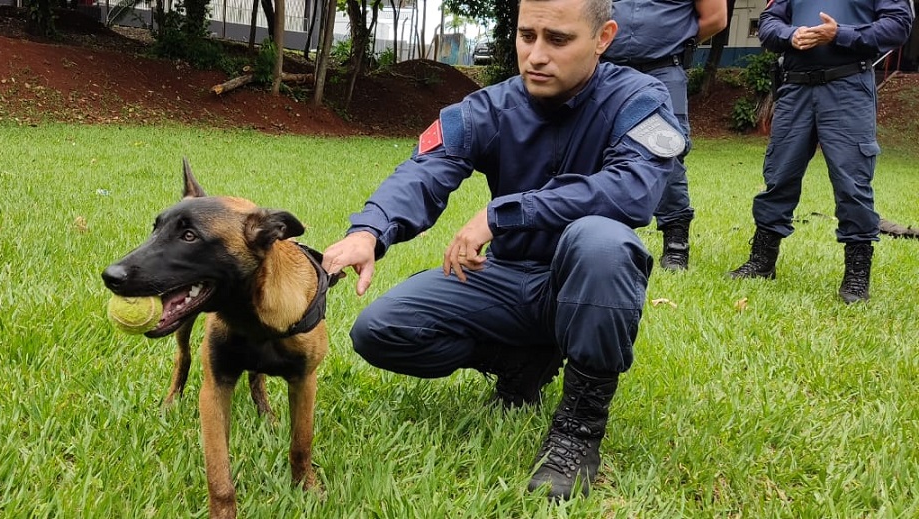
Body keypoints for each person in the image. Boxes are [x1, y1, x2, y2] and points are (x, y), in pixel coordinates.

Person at [321, 0, 687, 500]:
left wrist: (504, 213)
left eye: (557, 40)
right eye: (526, 35)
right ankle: (521, 362)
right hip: (509, 279)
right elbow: (427, 168)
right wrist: (371, 229)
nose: (536, 55)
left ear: (603, 38)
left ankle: (577, 430)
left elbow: (633, 188)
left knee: (602, 240)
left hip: (582, 284)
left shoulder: (639, 99)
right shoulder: (490, 108)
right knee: (380, 329)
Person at [729, 0, 913, 303]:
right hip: (795, 90)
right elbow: (768, 22)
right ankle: (762, 262)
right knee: (778, 175)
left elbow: (897, 26)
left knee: (852, 183)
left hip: (849, 87)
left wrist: (840, 34)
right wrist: (790, 35)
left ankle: (856, 276)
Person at [603, 0, 728, 270]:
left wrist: (671, 40)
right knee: (595, 148)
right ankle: (600, 236)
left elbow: (716, 18)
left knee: (667, 152)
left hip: (663, 69)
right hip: (605, 68)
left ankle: (676, 245)